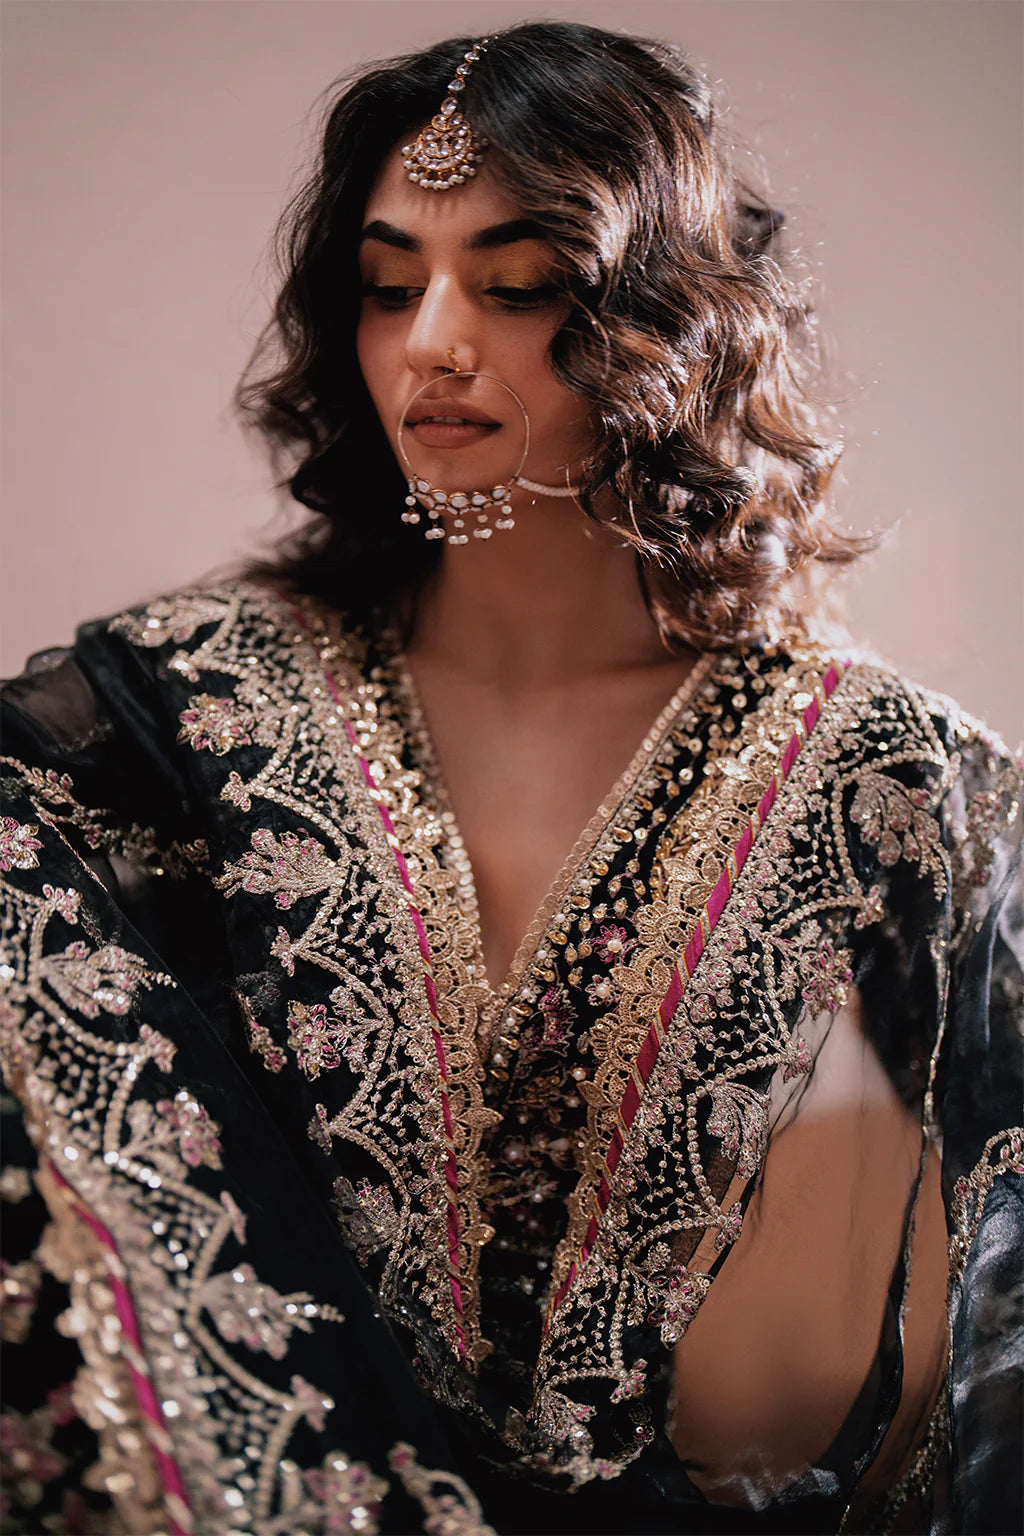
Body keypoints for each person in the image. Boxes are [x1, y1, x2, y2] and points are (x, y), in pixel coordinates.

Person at [1, 21, 1020, 1535]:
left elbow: (984, 1372)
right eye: (388, 285)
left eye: (520, 282)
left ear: (666, 321)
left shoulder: (893, 785)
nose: (433, 342)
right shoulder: (164, 723)